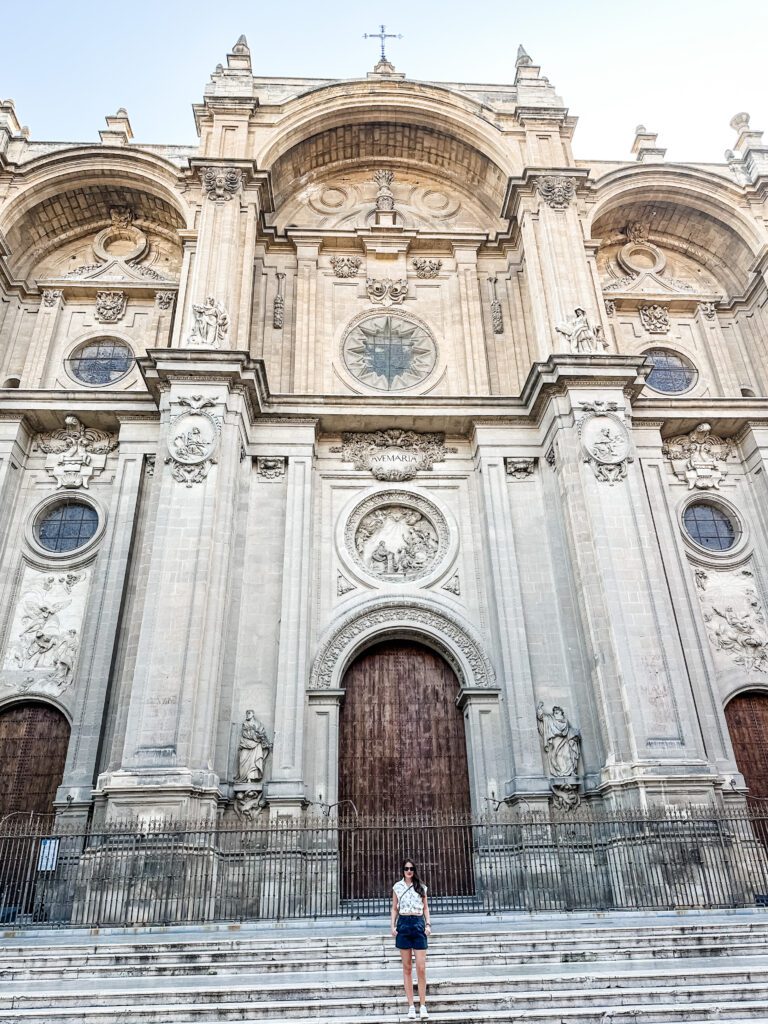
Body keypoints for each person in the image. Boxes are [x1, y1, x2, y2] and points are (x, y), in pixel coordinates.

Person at [391, 858, 431, 1020]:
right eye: (406, 868)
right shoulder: (397, 887)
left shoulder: (421, 887)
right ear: (402, 870)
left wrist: (428, 924)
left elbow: (426, 907)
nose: (409, 871)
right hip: (404, 924)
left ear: (415, 870)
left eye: (412, 869)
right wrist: (392, 926)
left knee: (421, 968)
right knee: (407, 968)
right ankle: (410, 1007)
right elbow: (394, 908)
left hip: (418, 924)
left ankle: (422, 1005)